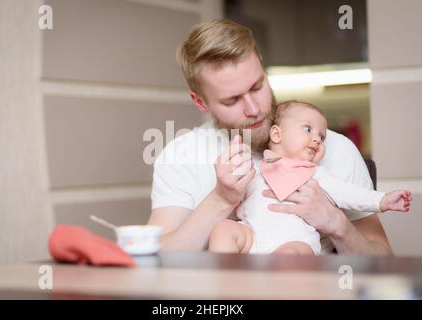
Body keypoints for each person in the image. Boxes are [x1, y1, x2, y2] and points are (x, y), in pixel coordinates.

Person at [148, 18, 394, 255]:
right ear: (200, 102)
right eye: (231, 100)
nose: (253, 109)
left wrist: (336, 223)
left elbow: (383, 263)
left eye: (257, 86)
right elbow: (155, 256)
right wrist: (221, 200)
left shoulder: (334, 148)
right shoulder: (181, 155)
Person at [208, 100, 411, 255]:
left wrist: (382, 200)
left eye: (321, 137)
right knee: (223, 229)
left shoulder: (313, 174)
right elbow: (239, 200)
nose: (316, 138)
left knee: (289, 257)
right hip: (253, 236)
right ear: (277, 135)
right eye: (308, 129)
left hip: (296, 242)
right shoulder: (257, 167)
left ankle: (268, 288)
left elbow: (348, 194)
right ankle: (227, 287)